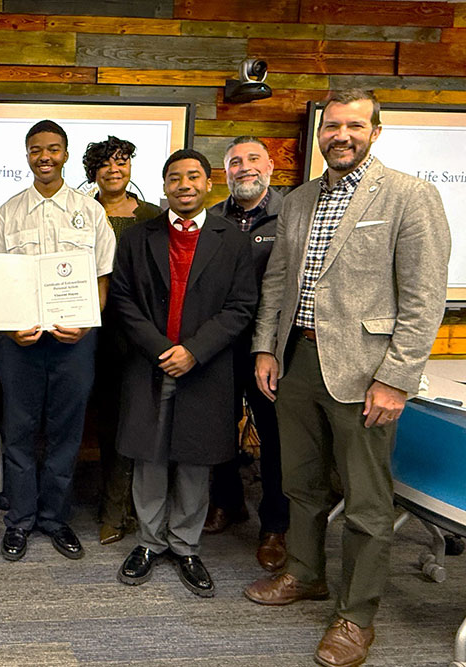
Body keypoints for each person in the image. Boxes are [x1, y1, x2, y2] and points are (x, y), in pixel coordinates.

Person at [243, 90, 450, 667]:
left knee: (366, 502)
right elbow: (278, 283)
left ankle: (356, 616)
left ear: (375, 132)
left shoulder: (410, 195)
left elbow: (424, 297)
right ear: (320, 133)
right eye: (332, 125)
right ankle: (304, 573)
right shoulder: (299, 199)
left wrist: (397, 378)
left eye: (354, 126)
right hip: (296, 361)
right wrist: (265, 348)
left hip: (365, 371)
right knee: (300, 482)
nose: (341, 135)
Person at [110, 149, 257, 597]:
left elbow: (241, 307)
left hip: (205, 367)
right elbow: (122, 300)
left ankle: (186, 545)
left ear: (208, 184)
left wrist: (193, 351)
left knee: (195, 460)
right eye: (175, 178)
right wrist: (161, 349)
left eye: (193, 177)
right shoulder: (138, 237)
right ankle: (149, 542)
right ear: (164, 186)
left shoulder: (232, 240)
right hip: (149, 364)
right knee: (149, 457)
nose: (185, 185)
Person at [0, 120, 116, 562]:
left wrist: (86, 323)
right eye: (36, 149)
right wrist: (9, 328)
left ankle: (55, 519)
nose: (45, 156)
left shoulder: (90, 212)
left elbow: (101, 280)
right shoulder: (8, 212)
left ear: (65, 154)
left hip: (74, 343)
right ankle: (20, 520)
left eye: (53, 148)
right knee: (19, 431)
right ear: (27, 156)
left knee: (66, 432)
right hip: (19, 344)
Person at [204, 136, 290, 573]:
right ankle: (227, 502)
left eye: (253, 159)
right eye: (235, 162)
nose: (245, 167)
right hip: (222, 344)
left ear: (270, 166)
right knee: (218, 427)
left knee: (274, 437)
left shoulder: (290, 214)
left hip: (271, 348)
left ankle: (274, 525)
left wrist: (267, 346)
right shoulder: (213, 218)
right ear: (226, 172)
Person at [82, 135, 162, 545]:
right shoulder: (80, 212)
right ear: (92, 171)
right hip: (89, 330)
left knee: (137, 420)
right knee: (107, 419)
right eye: (105, 163)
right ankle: (112, 507)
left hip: (139, 332)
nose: (114, 169)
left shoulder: (152, 216)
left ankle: (128, 508)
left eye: (122, 161)